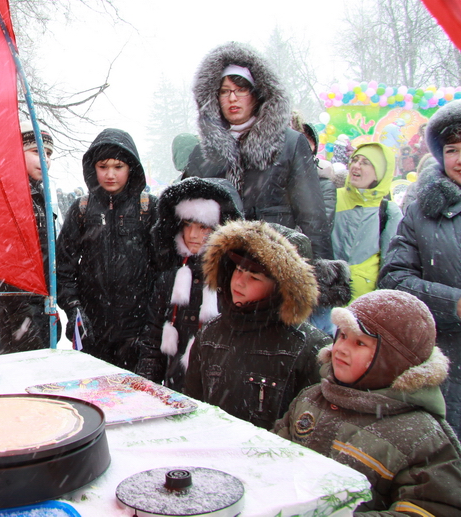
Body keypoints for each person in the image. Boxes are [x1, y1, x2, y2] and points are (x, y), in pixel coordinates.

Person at [274, 291, 461, 514]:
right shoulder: (311, 399)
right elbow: (273, 456)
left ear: (393, 360)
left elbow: (431, 508)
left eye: (360, 343)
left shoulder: (421, 437)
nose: (341, 348)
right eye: (342, 336)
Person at [182, 42, 332, 260]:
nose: (232, 98)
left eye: (241, 89)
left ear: (257, 93)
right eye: (224, 91)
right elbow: (184, 216)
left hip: (274, 268)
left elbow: (313, 219)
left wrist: (322, 276)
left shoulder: (290, 144)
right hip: (218, 273)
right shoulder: (202, 152)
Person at [183, 220, 330, 429]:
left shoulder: (309, 347)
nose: (239, 282)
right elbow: (194, 403)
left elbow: (310, 430)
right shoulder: (211, 333)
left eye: (254, 277)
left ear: (281, 288)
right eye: (238, 270)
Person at [379, 100, 461, 438]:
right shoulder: (422, 214)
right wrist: (452, 303)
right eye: (453, 149)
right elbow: (395, 280)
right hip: (446, 367)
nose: (460, 159)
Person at [56, 128, 160, 371]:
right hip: (92, 328)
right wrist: (74, 309)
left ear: (131, 167)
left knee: (137, 398)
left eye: (118, 166)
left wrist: (152, 321)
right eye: (103, 166)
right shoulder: (81, 209)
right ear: (94, 168)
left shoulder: (149, 208)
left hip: (137, 329)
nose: (110, 174)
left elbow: (162, 268)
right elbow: (63, 267)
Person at [136, 177, 242, 390]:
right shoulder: (169, 277)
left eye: (203, 227)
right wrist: (147, 385)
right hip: (175, 387)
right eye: (187, 224)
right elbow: (153, 338)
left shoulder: (233, 280)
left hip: (220, 393)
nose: (193, 235)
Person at [0, 121, 60, 353]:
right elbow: (1, 265)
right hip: (15, 310)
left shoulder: (38, 195)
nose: (44, 159)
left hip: (39, 306)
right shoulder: (2, 195)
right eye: (36, 151)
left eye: (48, 153)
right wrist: (23, 319)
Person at [332, 143, 402, 301]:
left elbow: (390, 262)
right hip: (326, 293)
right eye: (355, 160)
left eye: (365, 163)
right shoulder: (332, 197)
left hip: (364, 299)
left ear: (379, 173)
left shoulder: (388, 211)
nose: (356, 166)